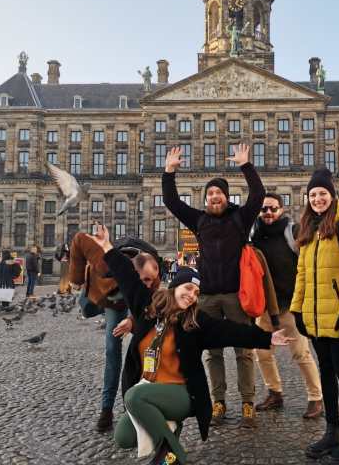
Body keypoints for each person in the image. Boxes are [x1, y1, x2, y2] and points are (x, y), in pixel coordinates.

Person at [91, 225, 293, 465]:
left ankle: (174, 458)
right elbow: (127, 277)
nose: (192, 295)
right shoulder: (148, 307)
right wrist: (106, 247)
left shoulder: (197, 322)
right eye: (188, 288)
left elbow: (232, 332)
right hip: (150, 387)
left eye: (197, 292)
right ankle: (168, 427)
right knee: (124, 437)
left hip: (180, 393)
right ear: (175, 286)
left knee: (134, 398)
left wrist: (266, 337)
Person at [162, 143, 267, 428]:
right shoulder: (199, 220)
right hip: (206, 296)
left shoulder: (240, 219)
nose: (214, 197)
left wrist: (246, 165)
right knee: (213, 352)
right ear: (206, 199)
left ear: (226, 196)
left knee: (244, 351)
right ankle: (218, 401)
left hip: (235, 295)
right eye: (210, 194)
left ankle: (248, 402)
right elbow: (172, 203)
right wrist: (169, 172)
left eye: (218, 193)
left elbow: (258, 195)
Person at [290, 169, 339, 464]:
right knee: (326, 372)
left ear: (332, 196)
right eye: (313, 195)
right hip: (315, 316)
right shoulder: (307, 228)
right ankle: (332, 431)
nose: (318, 199)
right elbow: (302, 274)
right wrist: (297, 308)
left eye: (322, 193)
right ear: (307, 199)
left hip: (338, 315)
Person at [68, 231, 164, 433]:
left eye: (146, 281)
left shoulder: (150, 278)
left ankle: (139, 405)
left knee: (142, 348)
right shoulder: (105, 264)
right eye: (141, 280)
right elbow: (78, 239)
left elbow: (148, 305)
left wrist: (132, 320)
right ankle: (106, 409)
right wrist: (76, 278)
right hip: (114, 299)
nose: (144, 283)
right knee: (112, 349)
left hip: (134, 302)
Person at [250, 192, 324, 419]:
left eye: (273, 208)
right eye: (264, 209)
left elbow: (309, 264)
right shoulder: (255, 236)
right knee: (262, 353)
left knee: (301, 353)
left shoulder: (292, 233)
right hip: (265, 307)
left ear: (281, 210)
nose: (268, 213)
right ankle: (275, 393)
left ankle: (316, 398)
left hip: (290, 306)